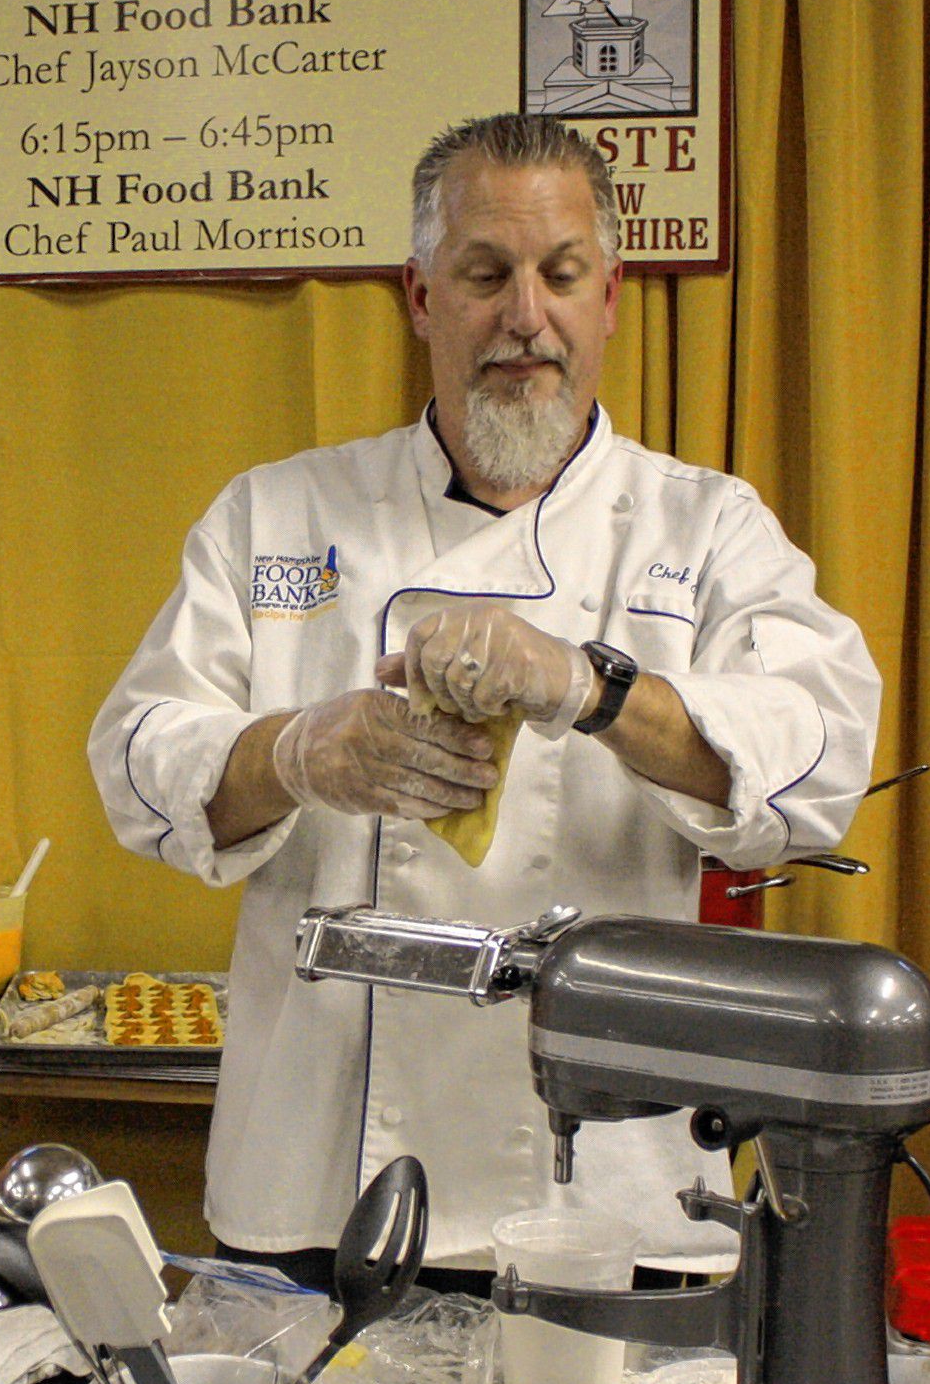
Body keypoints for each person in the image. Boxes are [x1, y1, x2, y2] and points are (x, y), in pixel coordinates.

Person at [89, 114, 880, 1277]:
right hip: (314, 1180)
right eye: (484, 274)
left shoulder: (704, 526)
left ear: (610, 295)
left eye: (562, 275)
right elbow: (137, 757)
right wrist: (298, 753)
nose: (525, 316)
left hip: (610, 1189)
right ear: (419, 296)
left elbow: (817, 757)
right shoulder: (277, 513)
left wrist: (590, 687)